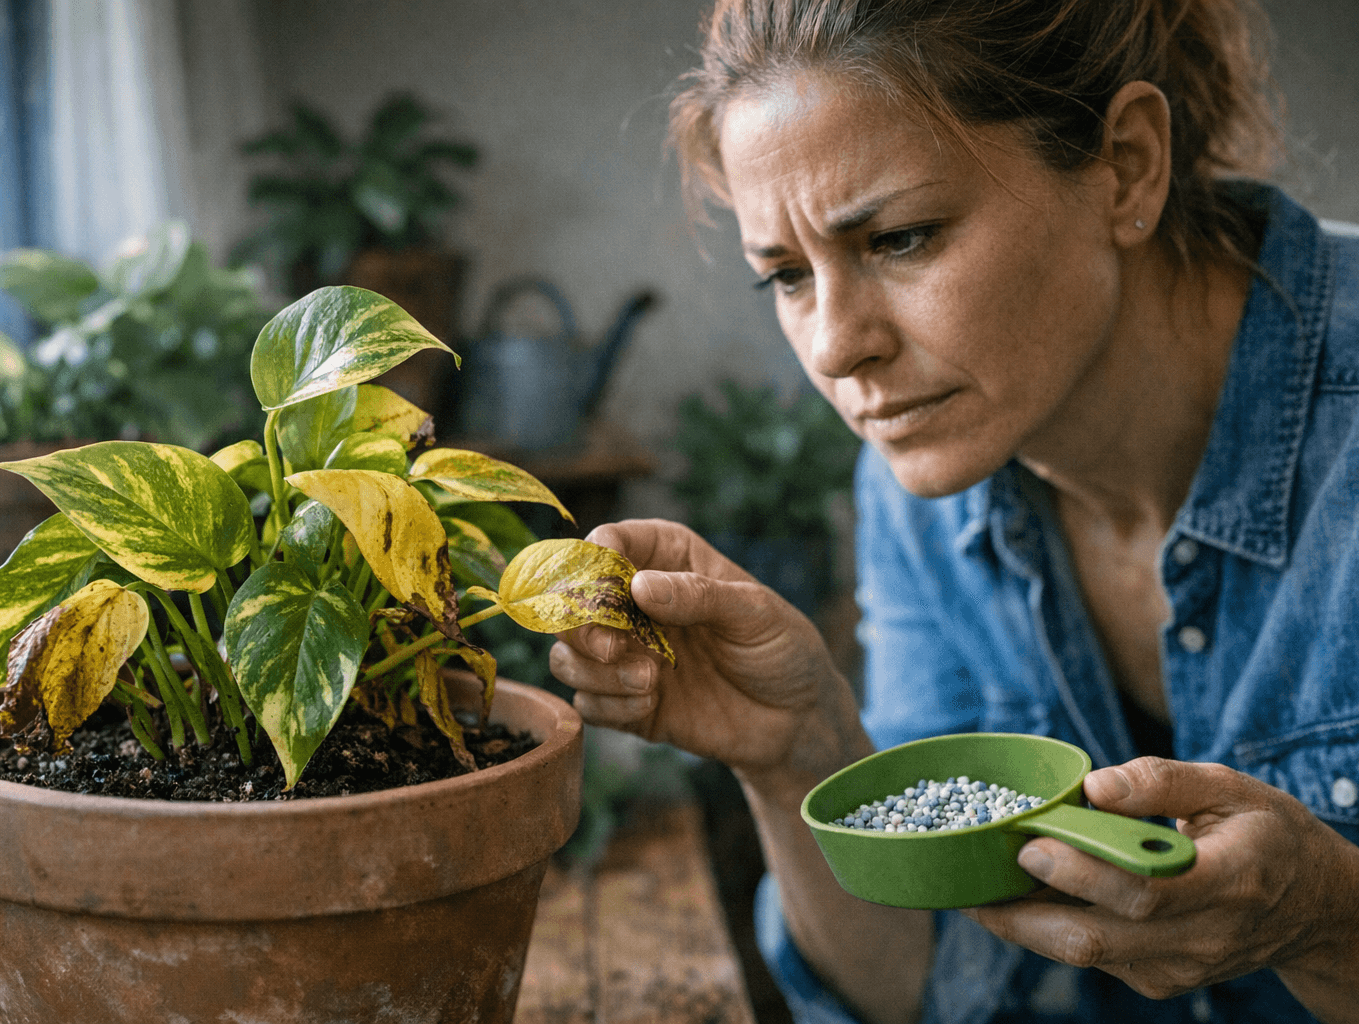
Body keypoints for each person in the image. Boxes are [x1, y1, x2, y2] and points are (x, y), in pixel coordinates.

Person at [548, 1, 1359, 1022]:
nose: (837, 348)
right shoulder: (919, 486)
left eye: (898, 238)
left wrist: (1335, 919)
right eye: (788, 277)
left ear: (1127, 166)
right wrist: (797, 748)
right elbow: (937, 989)